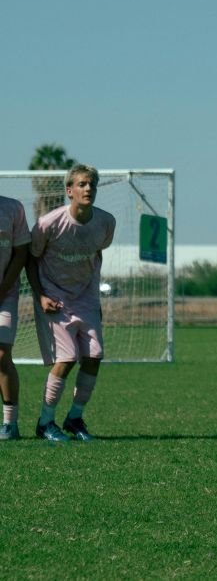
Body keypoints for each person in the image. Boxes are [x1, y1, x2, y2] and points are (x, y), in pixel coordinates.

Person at [25, 164, 116, 442]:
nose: (88, 189)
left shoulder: (106, 222)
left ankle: (74, 418)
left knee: (94, 356)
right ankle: (45, 422)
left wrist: (94, 299)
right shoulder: (48, 223)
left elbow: (97, 254)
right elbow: (31, 259)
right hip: (55, 297)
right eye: (82, 184)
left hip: (86, 298)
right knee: (66, 359)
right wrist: (41, 296)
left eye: (92, 185)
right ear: (69, 191)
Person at [0, 194, 32, 440]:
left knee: (1, 354)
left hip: (5, 294)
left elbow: (21, 253)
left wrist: (2, 290)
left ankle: (10, 423)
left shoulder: (13, 208)